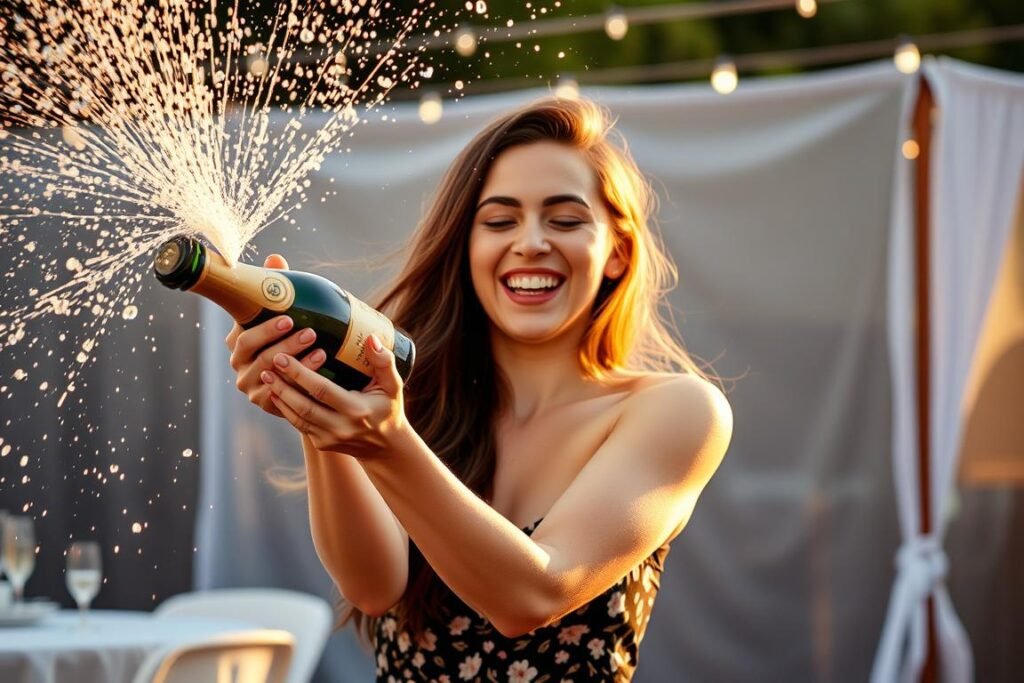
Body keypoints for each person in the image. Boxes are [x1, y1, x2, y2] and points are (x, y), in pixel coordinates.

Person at [225, 97, 732, 682]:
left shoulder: (675, 411)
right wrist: (315, 402)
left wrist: (388, 443)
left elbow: (532, 597)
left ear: (617, 252)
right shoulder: (407, 402)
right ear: (466, 247)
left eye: (565, 220)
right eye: (499, 221)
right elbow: (373, 586)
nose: (531, 242)